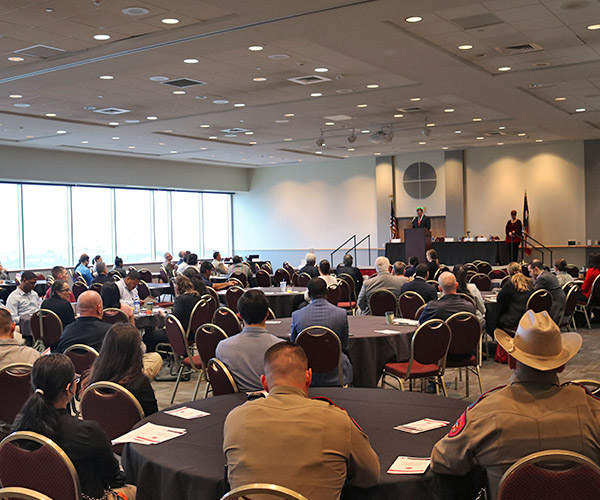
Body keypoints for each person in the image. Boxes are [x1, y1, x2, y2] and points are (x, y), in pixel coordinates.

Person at [430, 310, 600, 500]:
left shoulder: (484, 412)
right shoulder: (594, 411)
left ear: (510, 361)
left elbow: (442, 461)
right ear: (561, 366)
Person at [223, 342, 379, 500]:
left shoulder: (235, 418)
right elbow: (370, 476)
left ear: (264, 383)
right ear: (308, 377)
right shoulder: (337, 420)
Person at [12, 354, 137, 500]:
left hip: (32, 496)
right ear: (69, 388)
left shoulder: (19, 426)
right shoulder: (87, 431)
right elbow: (114, 478)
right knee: (138, 489)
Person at [215, 289, 283, 391]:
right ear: (267, 314)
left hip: (237, 402)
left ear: (239, 316)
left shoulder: (223, 347)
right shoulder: (282, 348)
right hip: (274, 402)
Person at [291, 278, 353, 386]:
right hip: (335, 371)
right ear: (327, 292)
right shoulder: (341, 314)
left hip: (306, 371)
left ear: (309, 294)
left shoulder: (297, 315)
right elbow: (344, 346)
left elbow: (294, 345)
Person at [88, 323, 158, 417]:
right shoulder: (139, 383)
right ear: (136, 349)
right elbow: (153, 417)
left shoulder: (93, 379)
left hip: (101, 430)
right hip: (136, 430)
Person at [496, 262, 533, 332]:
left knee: (495, 318)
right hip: (529, 318)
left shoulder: (510, 283)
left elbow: (500, 299)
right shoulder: (530, 282)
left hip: (513, 320)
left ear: (509, 272)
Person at [6, 270, 40, 340]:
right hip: (24, 325)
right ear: (24, 281)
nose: (33, 286)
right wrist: (26, 318)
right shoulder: (13, 297)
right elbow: (11, 318)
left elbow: (38, 308)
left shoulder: (34, 294)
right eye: (31, 283)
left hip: (37, 322)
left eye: (34, 283)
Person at [172, 275, 201, 339]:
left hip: (181, 332)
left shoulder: (180, 299)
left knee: (149, 336)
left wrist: (163, 315)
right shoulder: (197, 296)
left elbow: (173, 318)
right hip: (195, 333)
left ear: (178, 287)